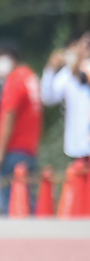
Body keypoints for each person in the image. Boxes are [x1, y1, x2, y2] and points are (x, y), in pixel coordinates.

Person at [0, 39, 43, 212]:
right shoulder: (30, 77)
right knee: (27, 203)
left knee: (11, 206)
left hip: (13, 149)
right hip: (29, 149)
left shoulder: (15, 79)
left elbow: (9, 116)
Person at [40, 33, 90, 171]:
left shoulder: (78, 69)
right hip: (77, 145)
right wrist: (50, 68)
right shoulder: (67, 73)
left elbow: (82, 77)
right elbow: (48, 98)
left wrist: (77, 61)